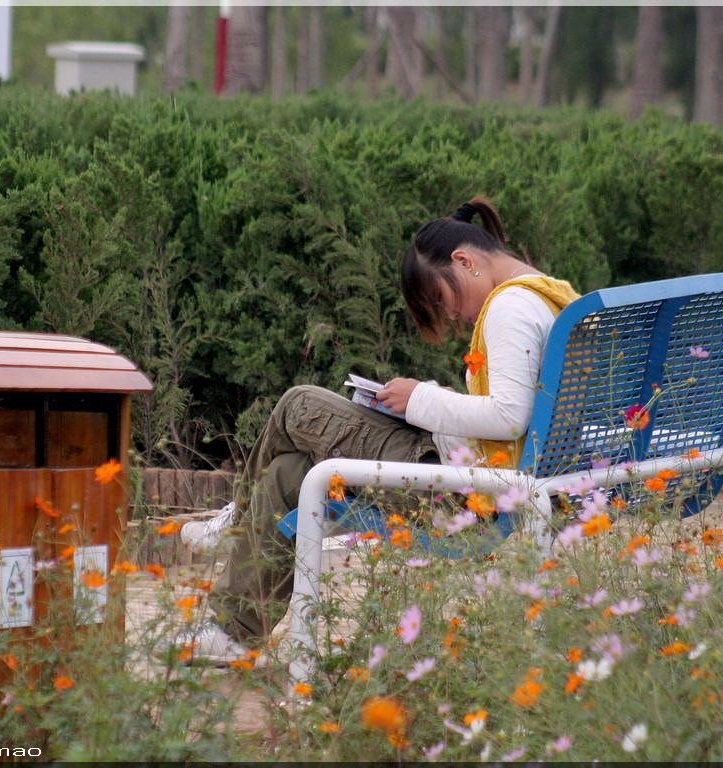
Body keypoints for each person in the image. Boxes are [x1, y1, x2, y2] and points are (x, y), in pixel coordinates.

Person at [177, 196, 580, 663]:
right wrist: (420, 405)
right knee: (288, 474)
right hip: (487, 479)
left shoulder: (509, 307)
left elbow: (509, 415)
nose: (451, 315)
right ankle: (230, 635)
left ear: (464, 261)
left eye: (441, 299)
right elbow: (520, 415)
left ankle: (235, 520)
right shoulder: (550, 296)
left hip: (459, 488)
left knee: (298, 404)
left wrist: (420, 399)